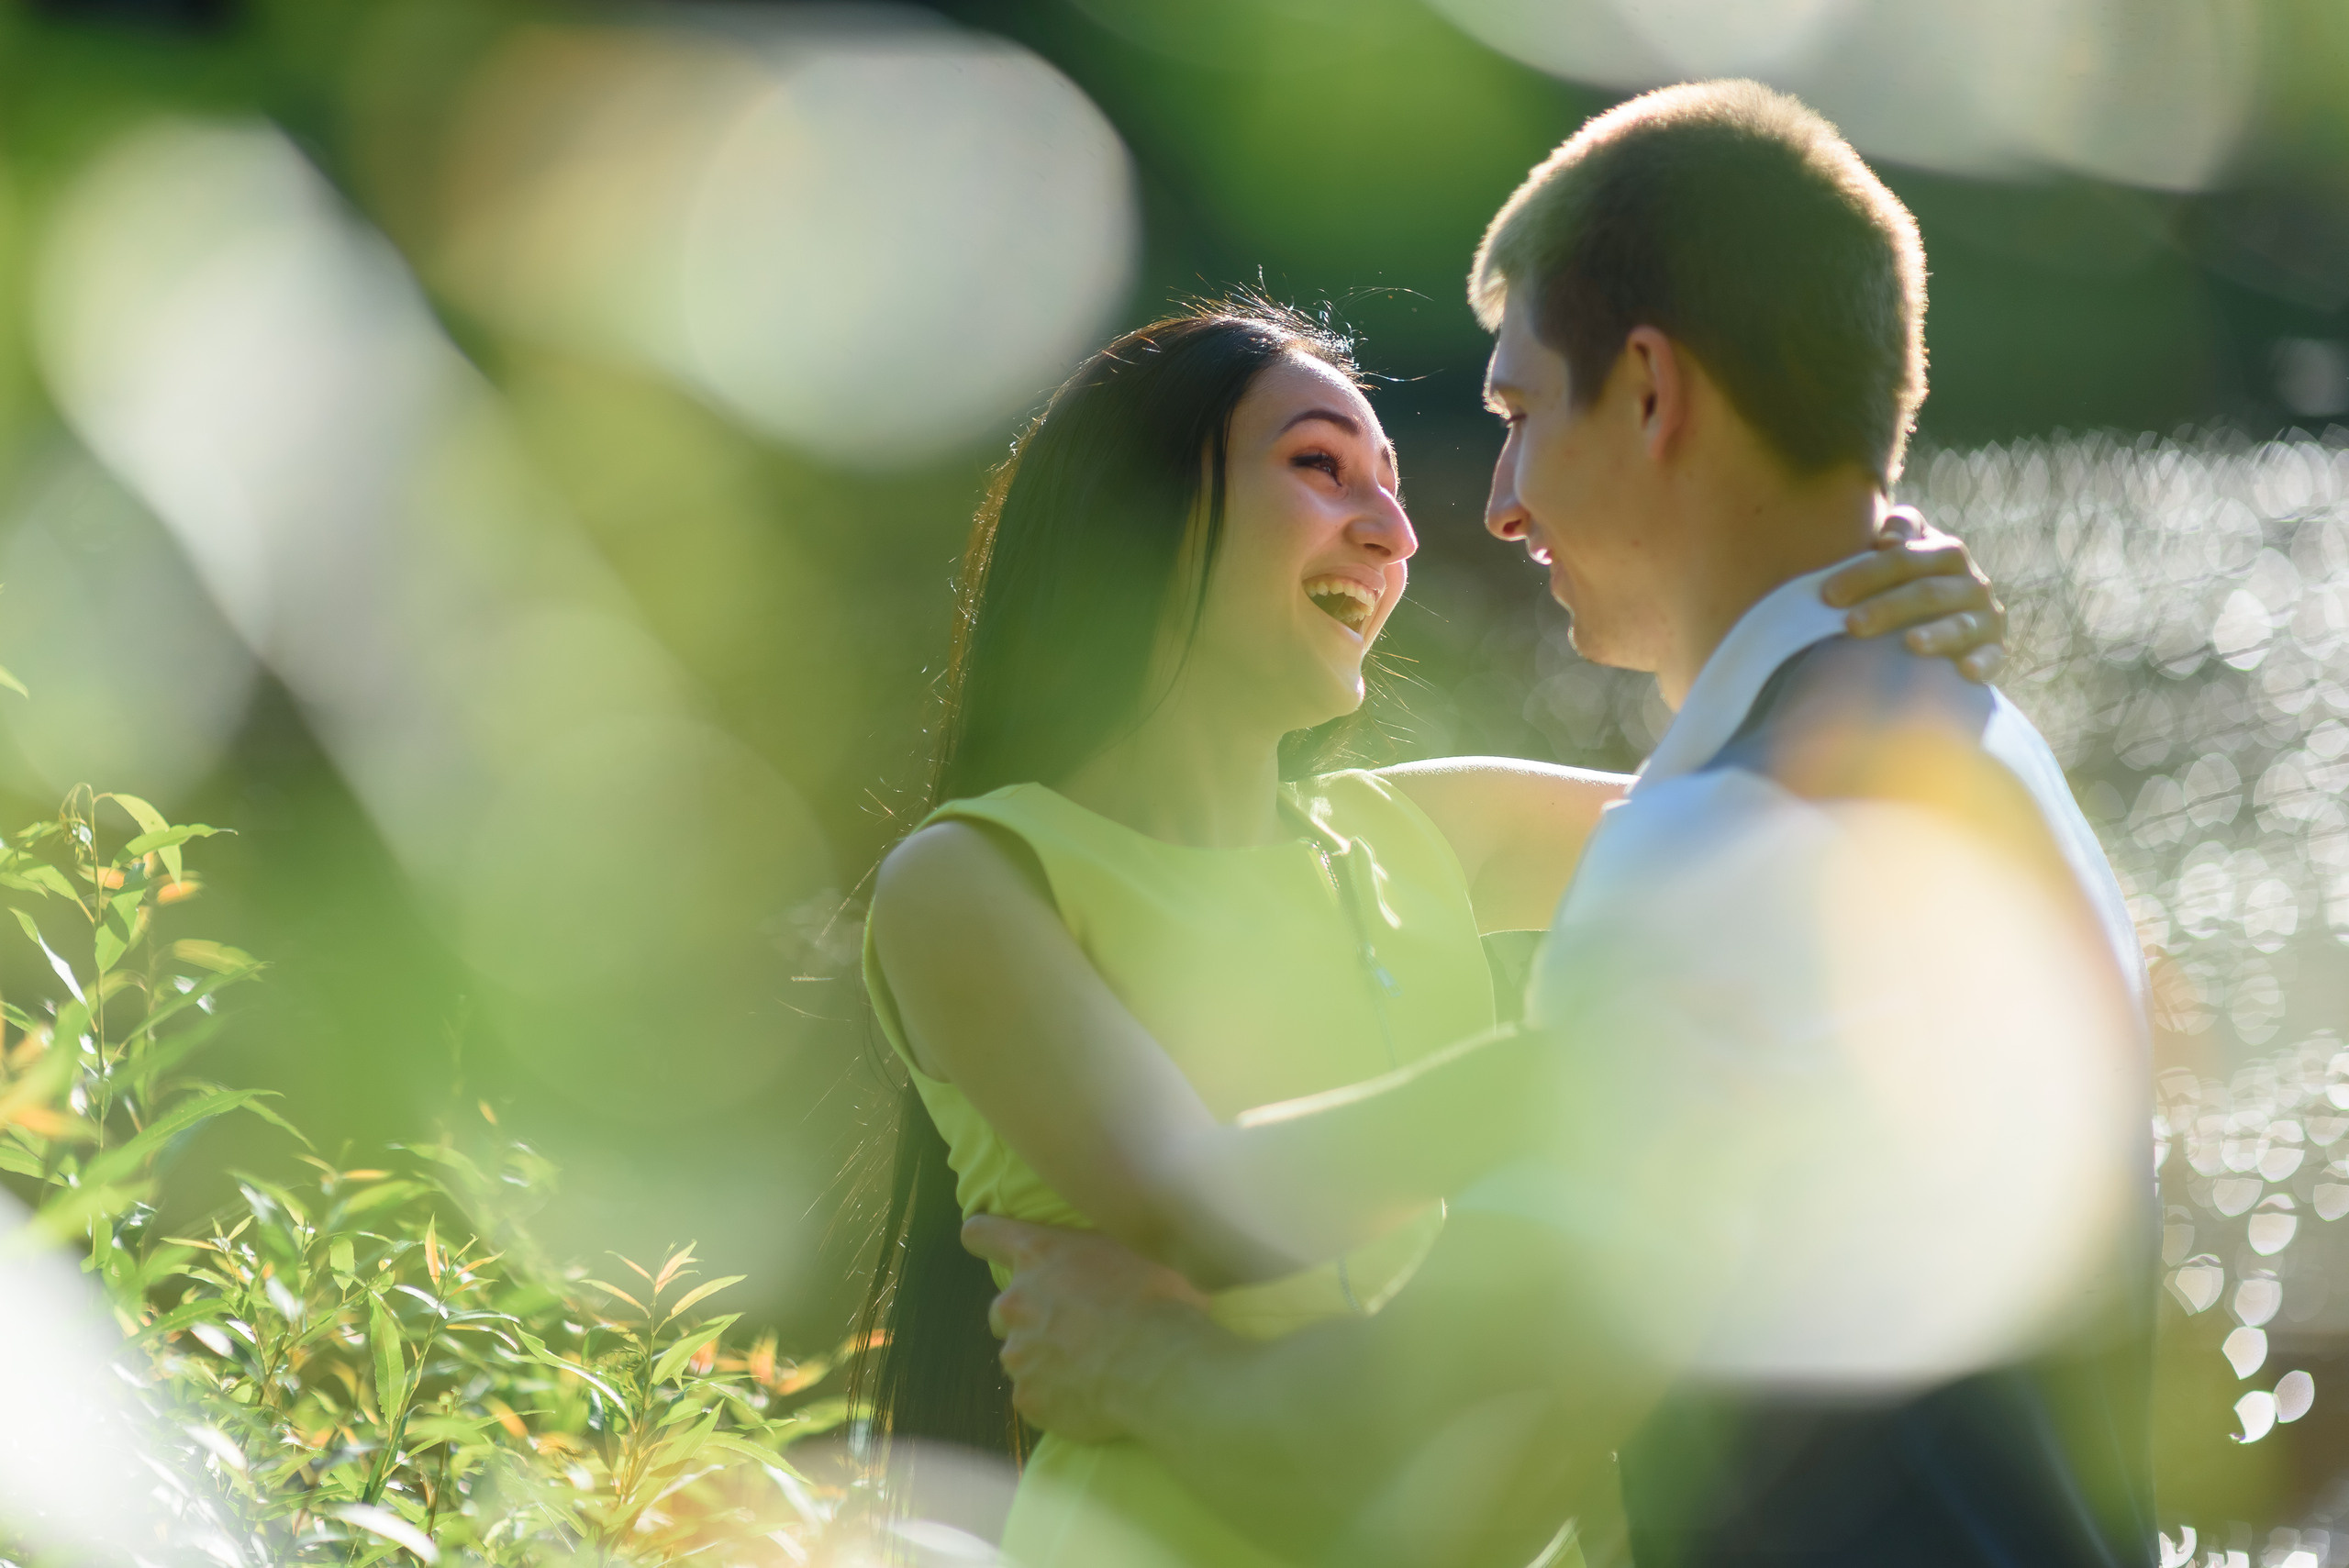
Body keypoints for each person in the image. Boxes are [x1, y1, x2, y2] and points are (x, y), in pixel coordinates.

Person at [964, 81, 2157, 1568]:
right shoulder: (1981, 755)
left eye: (1518, 415)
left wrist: (1132, 1360)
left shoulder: (1711, 857)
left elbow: (1428, 1478)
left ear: (1651, 394)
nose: (1499, 507)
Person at [856, 288, 2008, 1566]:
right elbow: (1193, 1203)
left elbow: (1797, 830)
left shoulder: (1422, 837)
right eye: (1319, 467)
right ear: (1146, 508)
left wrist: (1874, 591)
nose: (1396, 531)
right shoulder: (972, 878)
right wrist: (1582, 1069)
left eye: (1393, 486)